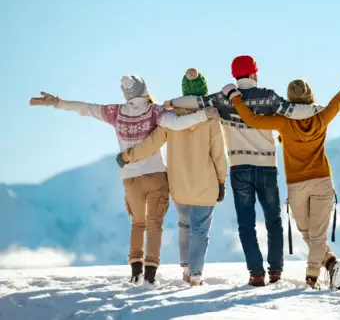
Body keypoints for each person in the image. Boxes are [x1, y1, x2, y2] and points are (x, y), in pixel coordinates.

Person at [29, 75, 219, 285]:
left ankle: (136, 271)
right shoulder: (155, 111)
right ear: (144, 88)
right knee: (155, 224)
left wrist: (58, 102)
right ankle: (150, 276)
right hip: (156, 175)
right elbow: (179, 123)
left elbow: (86, 108)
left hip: (130, 178)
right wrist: (204, 115)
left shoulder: (115, 112)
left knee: (138, 224)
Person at [221, 46, 340, 290]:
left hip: (297, 186)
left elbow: (251, 120)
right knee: (313, 236)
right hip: (322, 182)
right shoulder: (322, 117)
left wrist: (234, 97)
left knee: (310, 235)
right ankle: (331, 264)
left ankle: (312, 278)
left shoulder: (283, 122)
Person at [162, 56, 324, 286]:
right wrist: (319, 109)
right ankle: (276, 272)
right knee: (273, 221)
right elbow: (294, 111)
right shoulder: (268, 96)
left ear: (235, 76)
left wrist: (170, 102)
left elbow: (194, 101)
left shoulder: (221, 99)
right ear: (254, 74)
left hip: (239, 168)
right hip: (267, 167)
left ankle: (256, 274)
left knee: (246, 223)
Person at [116, 69, 227, 287]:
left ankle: (186, 269)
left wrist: (129, 155)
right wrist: (221, 181)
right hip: (205, 185)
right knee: (200, 230)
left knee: (184, 225)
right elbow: (218, 154)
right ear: (203, 91)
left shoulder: (171, 118)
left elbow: (152, 143)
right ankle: (195, 275)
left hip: (178, 186)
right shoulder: (210, 118)